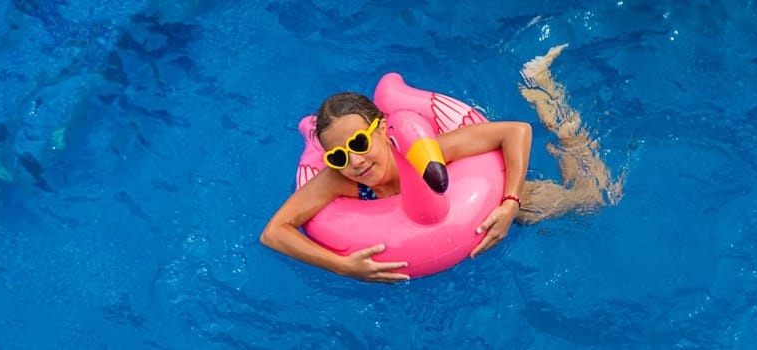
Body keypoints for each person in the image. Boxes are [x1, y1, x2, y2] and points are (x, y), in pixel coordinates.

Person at [260, 44, 626, 283]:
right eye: (338, 156)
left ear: (383, 128)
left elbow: (515, 131)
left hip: (473, 195)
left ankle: (546, 95)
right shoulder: (338, 181)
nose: (354, 162)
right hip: (423, 236)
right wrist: (345, 267)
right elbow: (273, 232)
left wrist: (511, 204)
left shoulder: (425, 150)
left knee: (591, 198)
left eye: (359, 143)